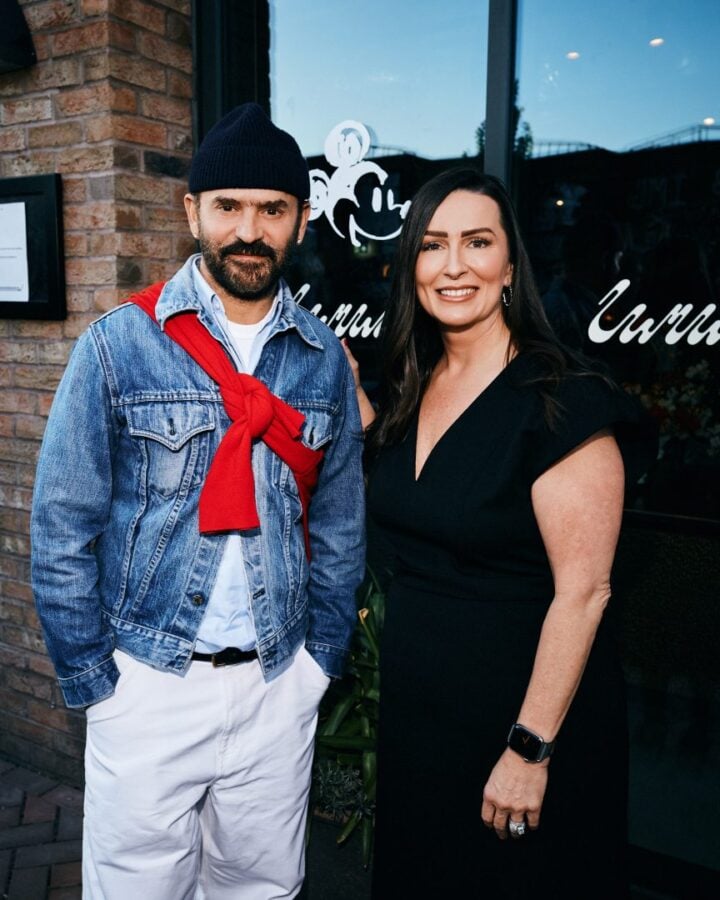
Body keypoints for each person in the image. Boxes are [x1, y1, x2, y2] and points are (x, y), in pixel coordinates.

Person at [31, 103, 366, 900]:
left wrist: (316, 667)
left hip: (276, 685)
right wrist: (99, 684)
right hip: (148, 685)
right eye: (228, 207)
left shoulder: (322, 360)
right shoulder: (118, 344)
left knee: (260, 888)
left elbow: (339, 523)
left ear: (301, 220)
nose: (249, 231)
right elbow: (61, 526)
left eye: (272, 209)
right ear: (193, 212)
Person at [346, 168, 654, 898]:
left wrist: (529, 749)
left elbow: (584, 593)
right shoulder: (412, 388)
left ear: (511, 266)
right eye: (432, 245)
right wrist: (343, 387)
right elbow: (412, 496)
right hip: (422, 720)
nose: (453, 265)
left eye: (477, 242)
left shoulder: (562, 402)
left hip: (518, 724)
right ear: (410, 268)